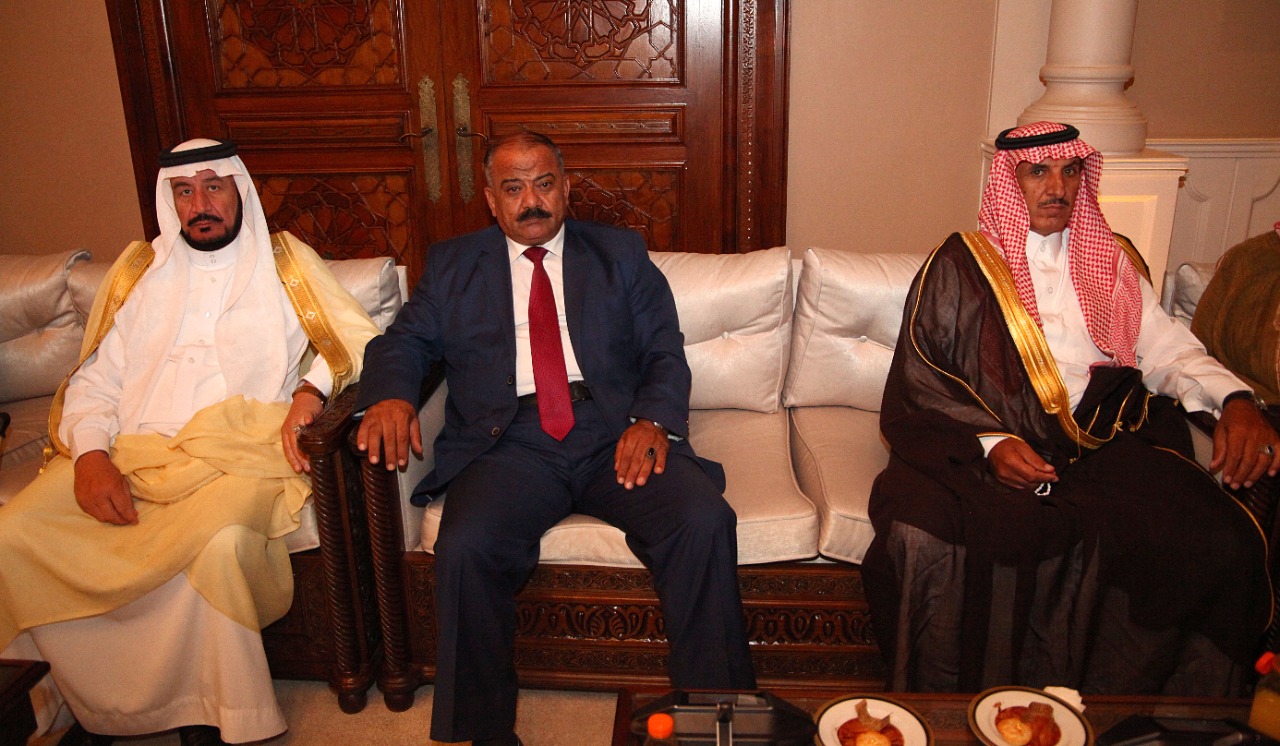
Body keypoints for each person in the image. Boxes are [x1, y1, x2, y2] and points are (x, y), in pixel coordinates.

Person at [355, 131, 756, 745]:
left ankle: (716, 720)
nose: (531, 201)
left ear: (566, 188)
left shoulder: (619, 252)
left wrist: (651, 421)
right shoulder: (454, 264)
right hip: (508, 442)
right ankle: (488, 734)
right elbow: (403, 342)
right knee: (465, 546)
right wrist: (391, 394)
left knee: (703, 520)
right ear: (491, 199)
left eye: (544, 184)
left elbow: (663, 349)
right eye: (513, 188)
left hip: (612, 429)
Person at [863, 121, 1278, 696]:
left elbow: (1169, 351)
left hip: (1100, 441)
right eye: (1038, 172)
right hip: (989, 439)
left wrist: (1234, 397)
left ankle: (1134, 710)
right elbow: (923, 376)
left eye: (1070, 171)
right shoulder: (961, 264)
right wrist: (991, 443)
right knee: (924, 531)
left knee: (1216, 540)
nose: (1057, 187)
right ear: (1010, 181)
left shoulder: (1113, 261)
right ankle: (955, 703)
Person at [0, 139, 380, 745]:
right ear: (169, 200)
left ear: (238, 190)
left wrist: (309, 391)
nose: (200, 204)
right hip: (135, 451)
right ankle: (84, 704)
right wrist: (91, 456)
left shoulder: (284, 260)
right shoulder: (139, 272)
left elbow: (359, 338)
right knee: (13, 531)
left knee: (217, 547)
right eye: (184, 191)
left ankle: (212, 713)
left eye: (213, 187)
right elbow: (96, 380)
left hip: (242, 455)